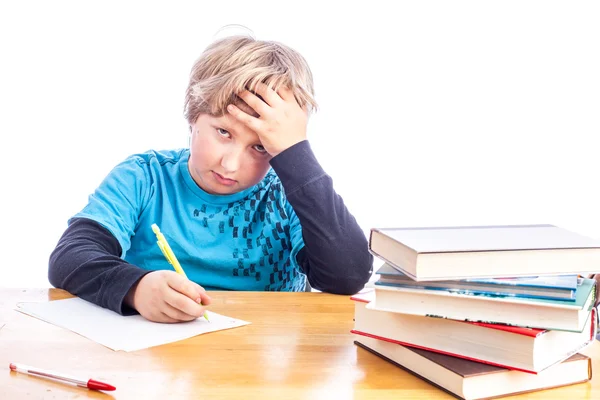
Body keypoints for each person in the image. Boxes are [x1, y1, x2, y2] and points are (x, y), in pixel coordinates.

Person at [48, 35, 373, 323]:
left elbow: (347, 276)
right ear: (193, 115)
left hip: (264, 368)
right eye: (223, 132)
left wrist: (295, 154)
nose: (230, 164)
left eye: (260, 147)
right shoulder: (144, 178)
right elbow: (70, 257)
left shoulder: (288, 194)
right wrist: (136, 287)